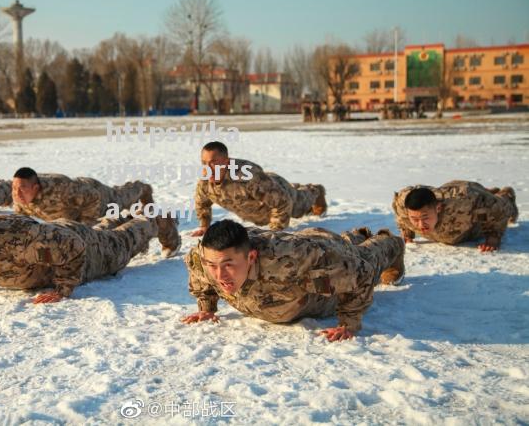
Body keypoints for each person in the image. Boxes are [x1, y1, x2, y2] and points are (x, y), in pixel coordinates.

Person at [181, 219, 405, 342]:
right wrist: (207, 307)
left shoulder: (291, 261)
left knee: (365, 257)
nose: (220, 276)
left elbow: (362, 273)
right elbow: (199, 270)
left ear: (251, 257)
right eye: (213, 266)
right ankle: (357, 235)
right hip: (310, 243)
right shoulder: (203, 257)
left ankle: (389, 242)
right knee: (335, 248)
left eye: (229, 265)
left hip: (318, 258)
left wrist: (349, 323)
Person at [0, 201, 181, 303]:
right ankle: (124, 214)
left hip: (83, 248)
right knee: (101, 231)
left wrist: (63, 287)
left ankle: (155, 218)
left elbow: (72, 247)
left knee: (121, 242)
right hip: (56, 233)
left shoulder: (22, 242)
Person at [191, 142, 326, 237]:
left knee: (298, 207)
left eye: (214, 162)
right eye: (204, 162)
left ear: (227, 162)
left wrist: (275, 234)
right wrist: (204, 225)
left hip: (278, 193)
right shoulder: (205, 181)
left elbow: (283, 203)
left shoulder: (248, 177)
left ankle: (315, 190)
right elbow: (202, 203)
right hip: (263, 194)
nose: (208, 167)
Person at [392, 180, 519, 252]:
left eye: (425, 218)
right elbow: (400, 212)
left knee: (501, 204)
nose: (420, 225)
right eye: (414, 219)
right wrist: (407, 234)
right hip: (446, 191)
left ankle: (505, 194)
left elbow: (498, 210)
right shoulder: (403, 204)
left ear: (438, 208)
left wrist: (493, 237)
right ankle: (489, 191)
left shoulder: (464, 203)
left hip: (471, 206)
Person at [11, 167, 153, 224]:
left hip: (94, 193)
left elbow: (93, 196)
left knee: (120, 198)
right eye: (14, 188)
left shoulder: (61, 190)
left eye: (22, 188)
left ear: (35, 188)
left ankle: (142, 187)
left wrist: (86, 225)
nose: (17, 194)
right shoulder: (19, 197)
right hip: (74, 203)